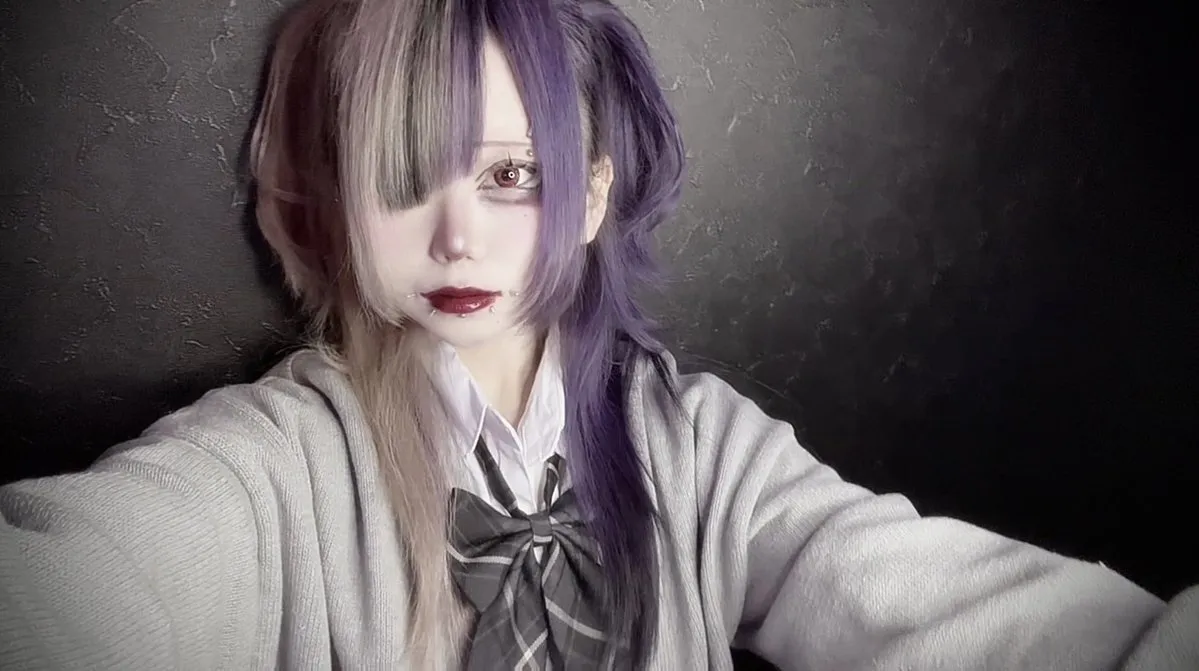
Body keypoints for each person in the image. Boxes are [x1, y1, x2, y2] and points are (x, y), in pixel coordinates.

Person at [1, 0, 1195, 668]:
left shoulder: (700, 449)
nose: (457, 237)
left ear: (590, 195)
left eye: (512, 175)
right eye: (402, 177)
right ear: (336, 199)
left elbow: (938, 603)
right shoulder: (275, 466)